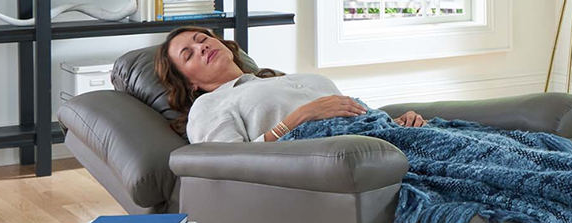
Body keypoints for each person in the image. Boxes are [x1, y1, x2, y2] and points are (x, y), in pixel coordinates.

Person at [155, 26, 427, 143]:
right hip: (341, 157)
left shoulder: (285, 79)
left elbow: (350, 114)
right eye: (188, 54)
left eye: (202, 39)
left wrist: (397, 121)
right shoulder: (209, 105)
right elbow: (229, 163)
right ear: (189, 83)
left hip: (378, 138)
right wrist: (301, 116)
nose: (201, 47)